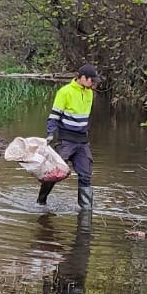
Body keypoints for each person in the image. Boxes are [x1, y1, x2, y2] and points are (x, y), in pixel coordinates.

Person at [39, 62, 98, 211]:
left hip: (82, 140)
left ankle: (86, 210)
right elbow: (54, 116)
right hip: (65, 139)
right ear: (82, 77)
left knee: (86, 175)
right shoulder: (65, 92)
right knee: (54, 172)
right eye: (92, 80)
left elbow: (85, 117)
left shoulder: (89, 93)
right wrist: (51, 133)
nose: (94, 83)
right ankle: (41, 202)